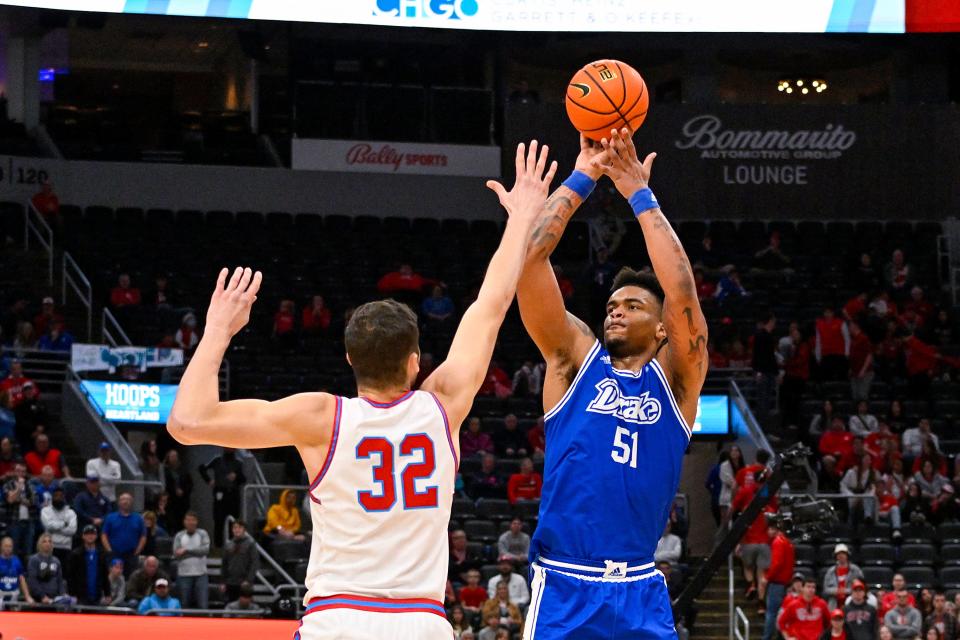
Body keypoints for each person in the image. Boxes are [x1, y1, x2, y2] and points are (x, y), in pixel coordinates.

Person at [166, 140, 558, 639]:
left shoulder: (319, 418)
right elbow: (492, 300)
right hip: (419, 622)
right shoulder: (443, 404)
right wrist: (522, 214)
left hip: (338, 620)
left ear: (349, 358)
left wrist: (219, 329)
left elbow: (186, 422)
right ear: (416, 362)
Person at [513, 129, 708, 638]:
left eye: (634, 306)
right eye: (612, 307)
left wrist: (639, 194)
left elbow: (682, 289)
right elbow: (530, 262)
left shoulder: (678, 387)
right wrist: (585, 173)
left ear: (663, 327)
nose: (617, 312)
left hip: (641, 586)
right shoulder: (574, 360)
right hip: (565, 582)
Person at [198, 448, 245, 546]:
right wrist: (209, 480)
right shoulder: (217, 460)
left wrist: (236, 476)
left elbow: (243, 479)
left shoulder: (238, 463)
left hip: (233, 494)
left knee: (233, 521)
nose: (230, 449)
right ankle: (218, 546)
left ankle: (233, 545)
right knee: (218, 520)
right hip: (220, 493)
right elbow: (201, 468)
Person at [763, 520, 795, 640]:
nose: (768, 532)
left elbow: (777, 563)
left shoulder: (778, 542)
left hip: (777, 582)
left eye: (771, 529)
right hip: (784, 582)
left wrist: (767, 577)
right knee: (780, 613)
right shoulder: (788, 542)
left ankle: (766, 638)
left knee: (771, 613)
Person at [100, 492, 146, 577]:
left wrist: (138, 550)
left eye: (128, 500)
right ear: (119, 502)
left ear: (132, 502)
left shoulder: (138, 518)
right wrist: (109, 550)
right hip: (114, 553)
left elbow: (143, 536)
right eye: (123, 499)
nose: (125, 502)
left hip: (132, 554)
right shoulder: (110, 517)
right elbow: (104, 535)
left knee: (131, 578)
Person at [173, 510, 210, 610]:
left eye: (193, 520)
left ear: (196, 522)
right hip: (184, 574)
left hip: (201, 574)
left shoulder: (202, 534)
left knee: (203, 605)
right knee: (184, 604)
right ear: (184, 522)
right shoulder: (179, 536)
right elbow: (176, 554)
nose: (190, 522)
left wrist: (186, 550)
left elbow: (205, 551)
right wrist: (195, 553)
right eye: (188, 520)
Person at [66, 524, 108, 606]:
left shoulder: (101, 554)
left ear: (96, 536)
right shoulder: (75, 554)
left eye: (92, 534)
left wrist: (107, 593)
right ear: (83, 536)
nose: (90, 536)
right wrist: (72, 594)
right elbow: (70, 576)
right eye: (87, 534)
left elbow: (105, 575)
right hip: (80, 596)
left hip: (97, 595)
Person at [3, 462, 38, 557]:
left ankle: (28, 571)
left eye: (23, 471)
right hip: (14, 522)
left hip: (29, 522)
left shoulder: (30, 485)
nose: (20, 473)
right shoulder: (8, 485)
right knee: (13, 550)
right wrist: (18, 488)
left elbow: (33, 501)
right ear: (14, 472)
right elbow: (10, 500)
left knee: (28, 551)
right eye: (18, 471)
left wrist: (18, 499)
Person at [26, 532, 73, 605]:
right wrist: (42, 596)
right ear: (39, 544)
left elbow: (60, 581)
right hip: (38, 599)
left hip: (54, 598)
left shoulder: (56, 561)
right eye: (44, 541)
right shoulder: (34, 560)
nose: (47, 543)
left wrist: (63, 594)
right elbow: (32, 581)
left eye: (49, 541)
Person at [222, 519, 259, 602]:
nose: (237, 530)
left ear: (244, 530)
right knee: (230, 606)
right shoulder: (228, 545)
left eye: (239, 528)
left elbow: (254, 563)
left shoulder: (250, 544)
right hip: (230, 582)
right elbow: (224, 564)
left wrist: (248, 580)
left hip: (245, 583)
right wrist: (223, 581)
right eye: (235, 528)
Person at [40, 487, 76, 565]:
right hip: (49, 547)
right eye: (56, 496)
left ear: (64, 498)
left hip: (66, 548)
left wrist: (54, 528)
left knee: (64, 575)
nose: (58, 498)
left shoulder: (71, 512)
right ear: (52, 497)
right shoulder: (45, 510)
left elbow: (72, 530)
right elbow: (48, 526)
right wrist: (64, 524)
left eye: (61, 496)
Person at [823, 544, 864, 610]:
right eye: (838, 554)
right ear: (836, 556)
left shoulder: (856, 570)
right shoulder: (830, 572)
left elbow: (862, 586)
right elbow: (826, 589)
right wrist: (837, 591)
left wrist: (846, 591)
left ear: (847, 555)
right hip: (834, 604)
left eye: (843, 553)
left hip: (852, 603)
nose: (841, 556)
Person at [163, 449, 192, 529]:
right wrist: (174, 490)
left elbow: (190, 483)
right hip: (171, 500)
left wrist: (183, 491)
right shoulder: (165, 470)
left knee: (183, 520)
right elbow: (165, 484)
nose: (174, 458)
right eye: (172, 456)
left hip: (183, 500)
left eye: (175, 456)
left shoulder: (183, 470)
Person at [0, 535, 32, 605]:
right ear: (1, 546)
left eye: (10, 546)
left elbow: (22, 579)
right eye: (6, 546)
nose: (8, 548)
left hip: (14, 594)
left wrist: (27, 596)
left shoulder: (16, 560)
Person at [719, 445, 746, 521]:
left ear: (740, 453)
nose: (734, 453)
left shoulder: (744, 467)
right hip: (727, 498)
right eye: (732, 451)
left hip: (740, 499)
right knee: (726, 523)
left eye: (736, 450)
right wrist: (740, 487)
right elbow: (729, 481)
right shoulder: (724, 466)